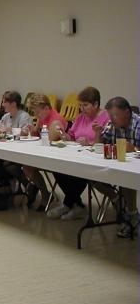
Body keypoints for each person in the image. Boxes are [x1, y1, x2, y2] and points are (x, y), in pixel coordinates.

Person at [47, 87, 110, 221]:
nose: (82, 108)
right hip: (77, 154)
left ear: (96, 104)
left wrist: (89, 144)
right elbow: (72, 135)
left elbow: (106, 143)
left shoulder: (105, 117)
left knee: (78, 172)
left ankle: (69, 204)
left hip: (95, 159)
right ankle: (74, 204)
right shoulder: (81, 117)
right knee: (56, 167)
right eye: (80, 105)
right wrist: (64, 136)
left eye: (85, 105)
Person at [95, 96, 140, 239]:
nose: (112, 119)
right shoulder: (111, 124)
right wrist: (98, 133)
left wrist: (134, 149)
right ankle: (118, 201)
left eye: (115, 115)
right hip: (117, 165)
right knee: (92, 174)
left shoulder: (138, 124)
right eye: (110, 115)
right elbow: (100, 145)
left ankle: (131, 215)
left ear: (127, 112)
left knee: (126, 178)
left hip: (133, 169)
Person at [22, 93, 67, 211]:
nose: (36, 115)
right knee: (26, 166)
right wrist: (31, 130)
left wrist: (36, 134)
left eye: (37, 112)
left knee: (27, 165)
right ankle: (44, 193)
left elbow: (49, 141)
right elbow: (37, 133)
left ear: (46, 108)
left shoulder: (56, 121)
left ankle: (45, 195)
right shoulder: (43, 117)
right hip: (44, 152)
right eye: (34, 112)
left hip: (57, 156)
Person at [0, 91, 32, 188]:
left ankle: (2, 181)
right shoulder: (6, 116)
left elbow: (25, 133)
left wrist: (10, 130)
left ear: (13, 104)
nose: (2, 104)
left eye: (4, 102)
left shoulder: (24, 116)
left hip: (19, 149)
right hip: (5, 147)